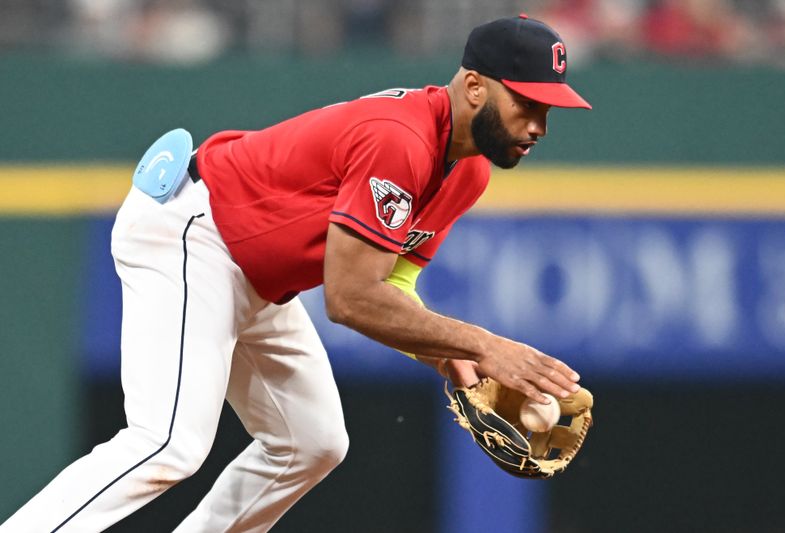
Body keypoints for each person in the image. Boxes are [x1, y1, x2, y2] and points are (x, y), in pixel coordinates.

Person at [1, 14, 591, 533]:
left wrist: (450, 357)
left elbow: (392, 286)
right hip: (195, 235)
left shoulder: (468, 172)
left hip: (254, 274)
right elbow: (350, 300)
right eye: (526, 102)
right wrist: (487, 346)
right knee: (168, 443)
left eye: (549, 108)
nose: (539, 123)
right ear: (473, 87)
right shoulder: (401, 140)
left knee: (312, 444)